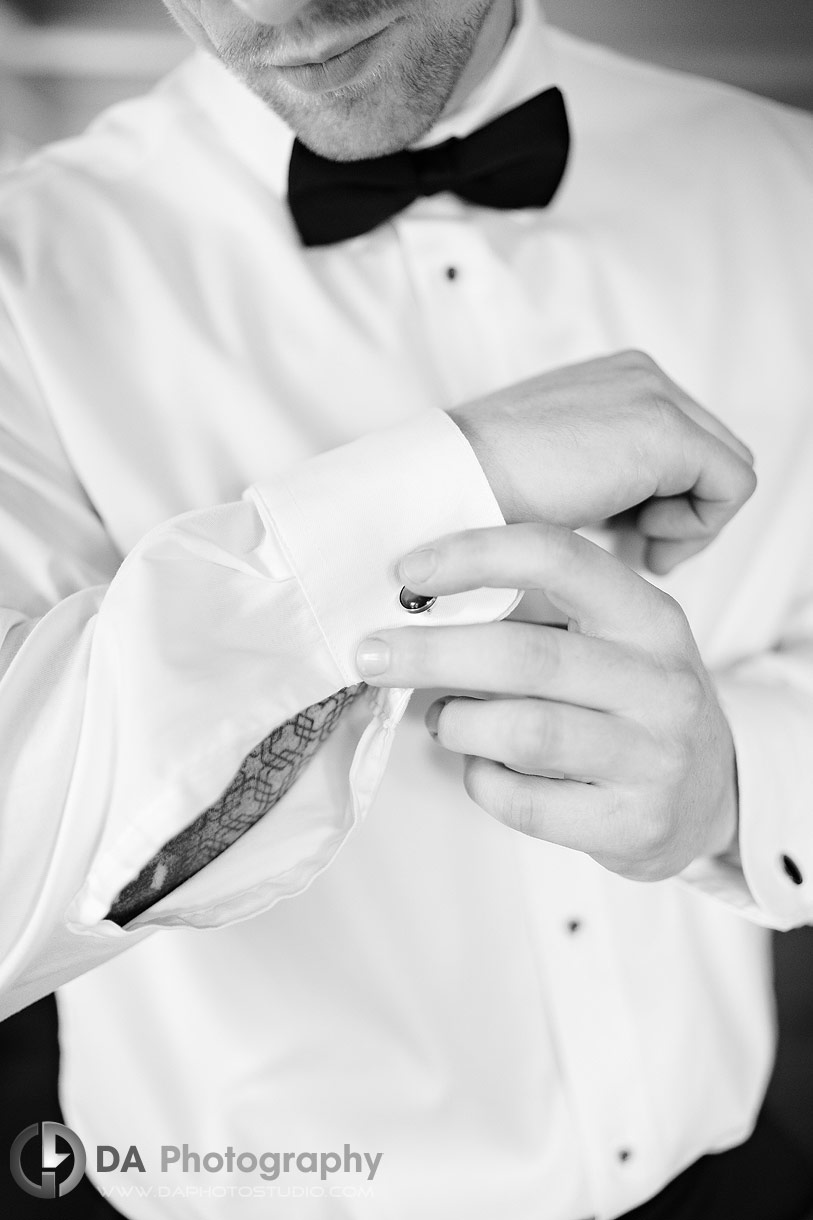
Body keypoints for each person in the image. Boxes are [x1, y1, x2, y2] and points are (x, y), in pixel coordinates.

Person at [0, 0, 812, 1216]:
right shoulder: (21, 276)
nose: (269, 6)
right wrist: (450, 481)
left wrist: (737, 786)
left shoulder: (788, 191)